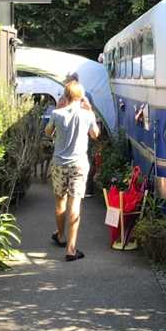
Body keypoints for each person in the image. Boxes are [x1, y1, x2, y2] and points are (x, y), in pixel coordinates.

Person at [45, 81, 100, 261]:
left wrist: (59, 111)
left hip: (59, 164)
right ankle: (71, 249)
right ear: (80, 97)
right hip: (78, 164)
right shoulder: (87, 115)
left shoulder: (56, 113)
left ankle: (60, 236)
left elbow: (47, 132)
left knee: (60, 201)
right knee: (74, 204)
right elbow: (95, 134)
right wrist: (90, 110)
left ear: (66, 96)